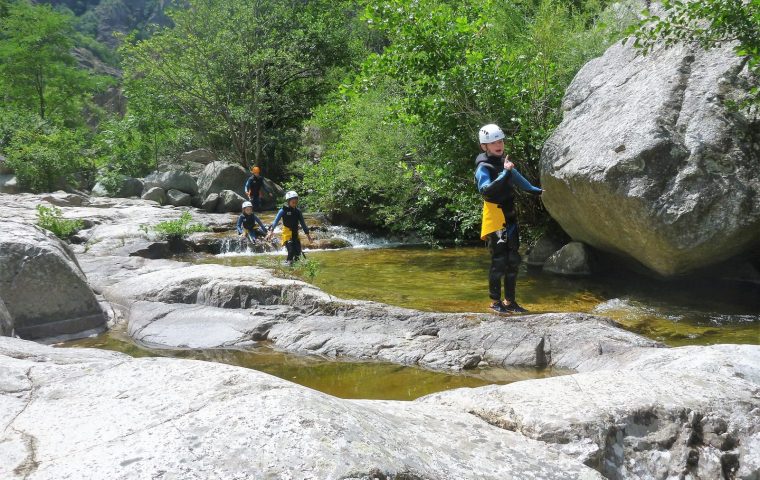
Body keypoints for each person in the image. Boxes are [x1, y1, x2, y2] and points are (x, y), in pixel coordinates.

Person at [475, 123, 543, 314]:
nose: (499, 145)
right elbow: (486, 190)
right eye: (494, 142)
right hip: (495, 218)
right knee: (499, 261)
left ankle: (510, 301)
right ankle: (495, 302)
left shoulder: (503, 162)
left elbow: (521, 181)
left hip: (509, 217)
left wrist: (538, 191)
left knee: (513, 260)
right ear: (484, 146)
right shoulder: (483, 167)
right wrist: (505, 172)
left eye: (501, 141)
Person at [269, 190, 312, 263]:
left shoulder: (298, 211)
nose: (295, 204)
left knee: (298, 253)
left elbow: (303, 224)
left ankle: (295, 270)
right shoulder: (283, 211)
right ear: (288, 201)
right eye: (293, 202)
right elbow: (275, 221)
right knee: (291, 251)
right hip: (287, 234)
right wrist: (271, 231)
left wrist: (308, 235)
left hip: (295, 234)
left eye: (296, 202)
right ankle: (288, 266)